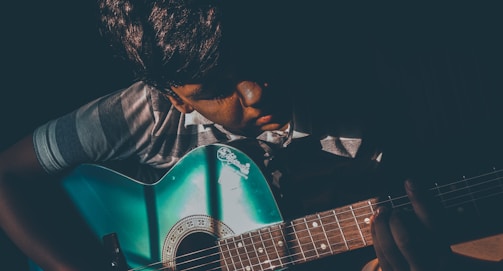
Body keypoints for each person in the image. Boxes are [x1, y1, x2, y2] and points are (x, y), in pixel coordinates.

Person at [0, 1, 501, 270]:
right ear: (175, 98)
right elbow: (7, 177)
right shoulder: (138, 115)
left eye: (257, 62)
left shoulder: (370, 92)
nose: (257, 93)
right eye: (218, 90)